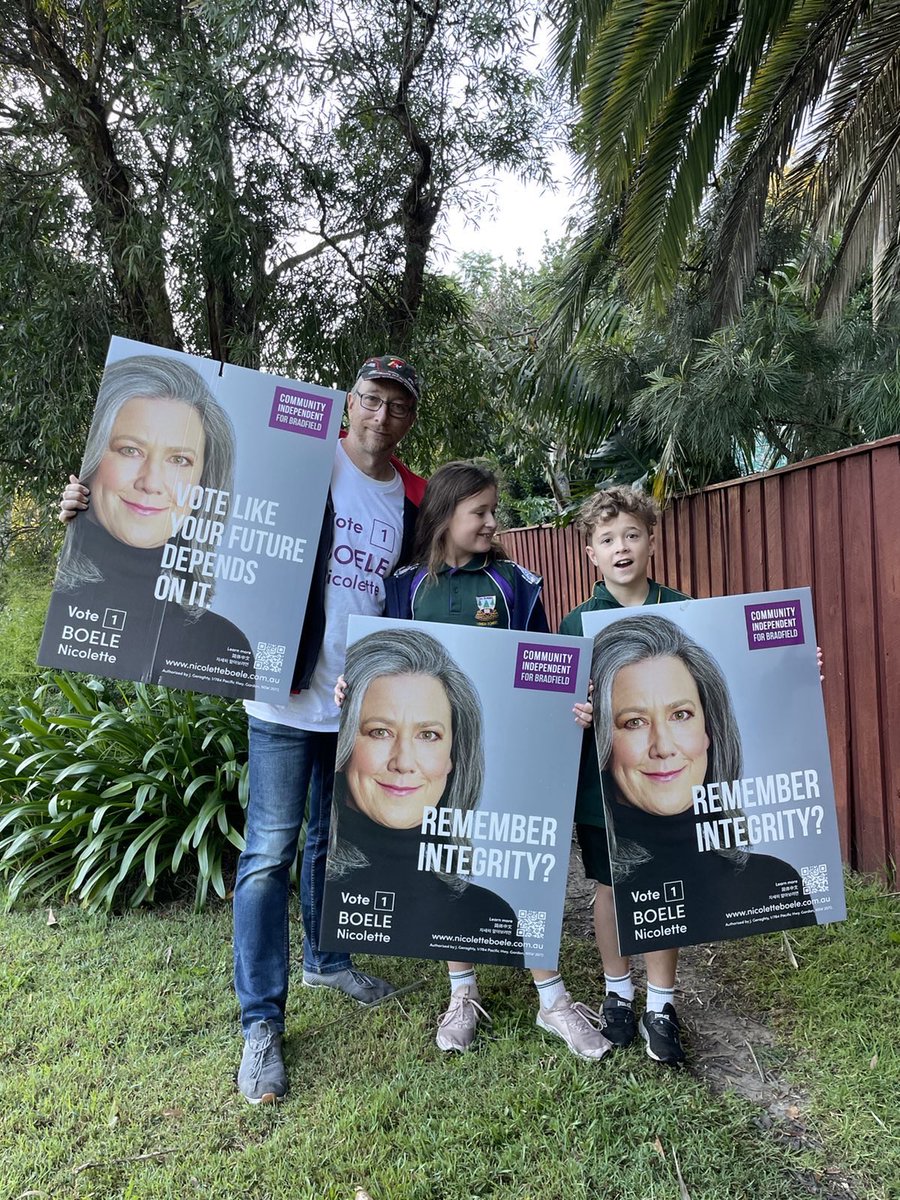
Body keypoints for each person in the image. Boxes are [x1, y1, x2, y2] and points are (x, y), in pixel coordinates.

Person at [63, 353, 426, 1105]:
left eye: (395, 406)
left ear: (408, 419)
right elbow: (188, 506)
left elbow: (429, 576)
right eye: (368, 399)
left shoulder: (412, 498)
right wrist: (86, 508)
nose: (378, 415)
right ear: (348, 401)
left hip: (359, 704)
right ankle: (260, 1022)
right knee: (268, 854)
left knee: (334, 842)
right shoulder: (293, 461)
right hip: (282, 696)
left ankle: (328, 959)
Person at [378, 461, 612, 1059]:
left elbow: (549, 674)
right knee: (448, 863)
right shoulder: (404, 586)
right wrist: (355, 691)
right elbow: (383, 666)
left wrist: (575, 706)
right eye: (479, 511)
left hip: (509, 753)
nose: (491, 522)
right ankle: (462, 993)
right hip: (435, 762)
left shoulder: (517, 584)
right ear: (445, 515)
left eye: (492, 511)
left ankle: (552, 998)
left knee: (522, 864)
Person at [558, 487, 692, 1064]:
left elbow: (720, 680)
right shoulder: (576, 622)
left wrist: (790, 663)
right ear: (590, 553)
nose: (621, 547)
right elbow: (555, 706)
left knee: (661, 885)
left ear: (652, 542)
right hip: (600, 785)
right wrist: (577, 709)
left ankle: (660, 1003)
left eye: (632, 535)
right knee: (610, 888)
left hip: (664, 777)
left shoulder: (683, 611)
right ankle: (618, 993)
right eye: (607, 539)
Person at [590, 614, 817, 934]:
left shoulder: (777, 882)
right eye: (634, 722)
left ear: (710, 730)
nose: (663, 747)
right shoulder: (613, 893)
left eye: (680, 715)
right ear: (602, 742)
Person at [49, 354, 253, 694]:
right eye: (130, 450)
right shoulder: (58, 609)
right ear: (95, 459)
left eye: (179, 459)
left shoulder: (224, 646)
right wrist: (72, 527)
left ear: (205, 481)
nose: (151, 482)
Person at [325, 628, 526, 965]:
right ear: (344, 745)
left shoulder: (486, 913)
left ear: (453, 756)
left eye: (428, 735)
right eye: (379, 732)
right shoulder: (327, 893)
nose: (403, 762)